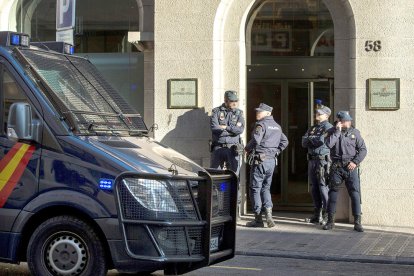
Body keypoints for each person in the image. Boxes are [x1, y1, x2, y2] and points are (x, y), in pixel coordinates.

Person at [245, 103, 288, 228]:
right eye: (257, 111)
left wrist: (247, 149)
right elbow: (285, 141)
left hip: (260, 160)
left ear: (268, 113)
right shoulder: (277, 126)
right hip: (271, 161)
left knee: (255, 188)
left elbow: (256, 140)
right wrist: (277, 151)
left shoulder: (261, 125)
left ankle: (258, 219)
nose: (258, 113)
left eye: (260, 111)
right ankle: (269, 216)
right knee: (266, 188)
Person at [323, 111, 367, 232]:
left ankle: (357, 222)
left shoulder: (355, 133)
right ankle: (330, 221)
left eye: (349, 120)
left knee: (355, 193)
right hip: (337, 167)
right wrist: (337, 132)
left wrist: (355, 162)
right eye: (345, 121)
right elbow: (328, 145)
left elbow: (363, 150)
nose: (348, 122)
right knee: (333, 193)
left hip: (350, 167)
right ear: (339, 122)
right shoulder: (332, 132)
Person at [302, 105, 333, 225]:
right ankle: (317, 214)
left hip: (322, 161)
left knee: (323, 187)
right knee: (314, 188)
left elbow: (321, 140)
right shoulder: (313, 128)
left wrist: (311, 139)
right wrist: (312, 139)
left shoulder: (328, 127)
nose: (317, 115)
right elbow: (303, 142)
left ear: (326, 115)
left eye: (320, 114)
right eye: (317, 113)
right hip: (312, 160)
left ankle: (326, 215)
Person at [210, 90, 245, 175]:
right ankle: (218, 189)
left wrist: (226, 128)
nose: (235, 103)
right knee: (215, 175)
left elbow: (240, 130)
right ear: (225, 100)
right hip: (218, 147)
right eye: (232, 101)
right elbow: (214, 128)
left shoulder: (239, 113)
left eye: (236, 101)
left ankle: (232, 189)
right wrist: (232, 132)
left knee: (234, 176)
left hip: (233, 148)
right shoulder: (216, 112)